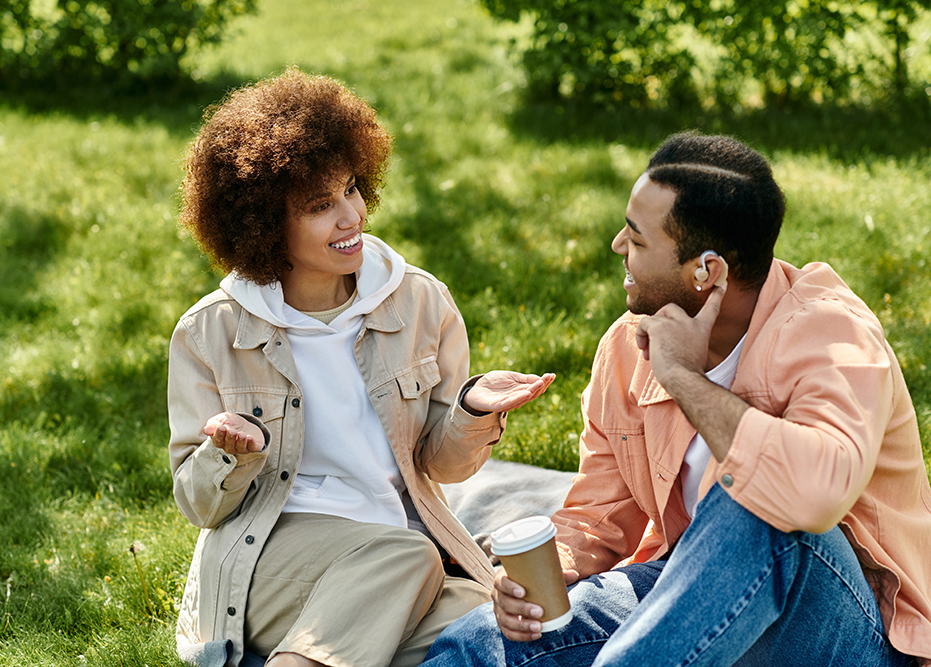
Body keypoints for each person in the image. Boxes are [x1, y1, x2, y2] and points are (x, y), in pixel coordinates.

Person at [422, 132, 931, 666]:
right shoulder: (628, 344)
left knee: (762, 503)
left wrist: (685, 377)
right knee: (487, 642)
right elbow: (598, 514)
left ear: (706, 270)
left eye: (638, 239)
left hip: (846, 633)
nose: (618, 245)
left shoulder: (831, 334)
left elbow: (812, 494)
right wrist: (538, 577)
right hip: (698, 603)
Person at [167, 67, 555, 667]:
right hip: (271, 560)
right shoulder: (211, 330)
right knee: (408, 559)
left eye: (350, 188)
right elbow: (201, 506)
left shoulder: (420, 302)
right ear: (265, 223)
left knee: (498, 632)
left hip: (399, 554)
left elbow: (440, 467)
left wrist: (473, 409)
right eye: (320, 205)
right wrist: (229, 455)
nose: (349, 216)